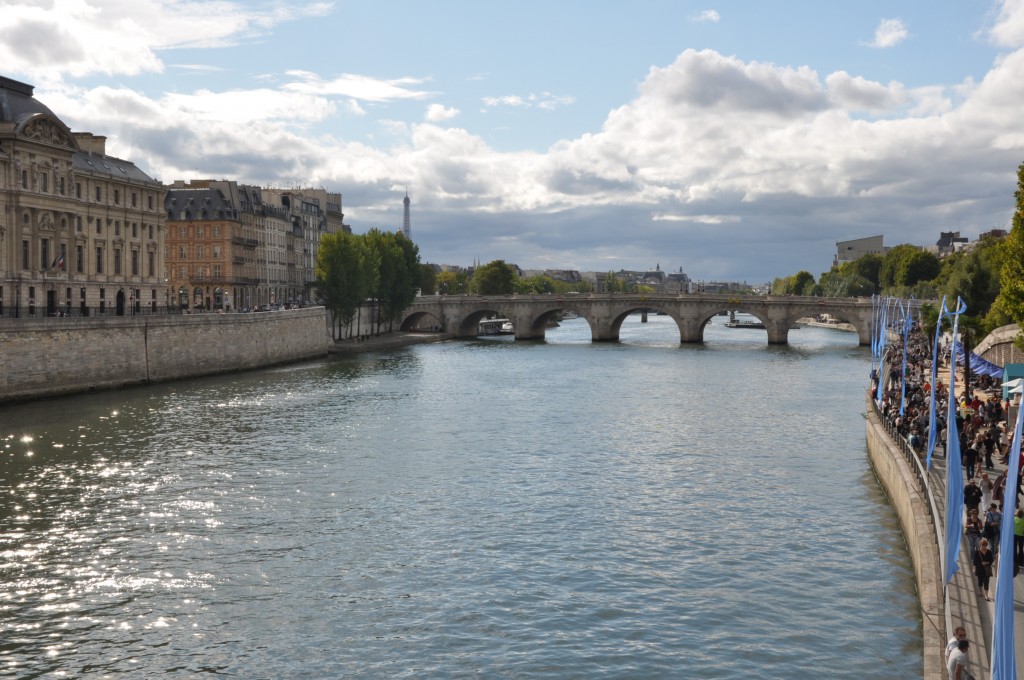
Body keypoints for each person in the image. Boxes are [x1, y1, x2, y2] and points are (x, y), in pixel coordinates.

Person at [1015, 508, 1024, 572]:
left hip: (1014, 535)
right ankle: (1021, 561)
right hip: (1021, 535)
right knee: (1021, 549)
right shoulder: (1023, 521)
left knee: (1014, 548)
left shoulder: (1014, 519)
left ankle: (1015, 560)